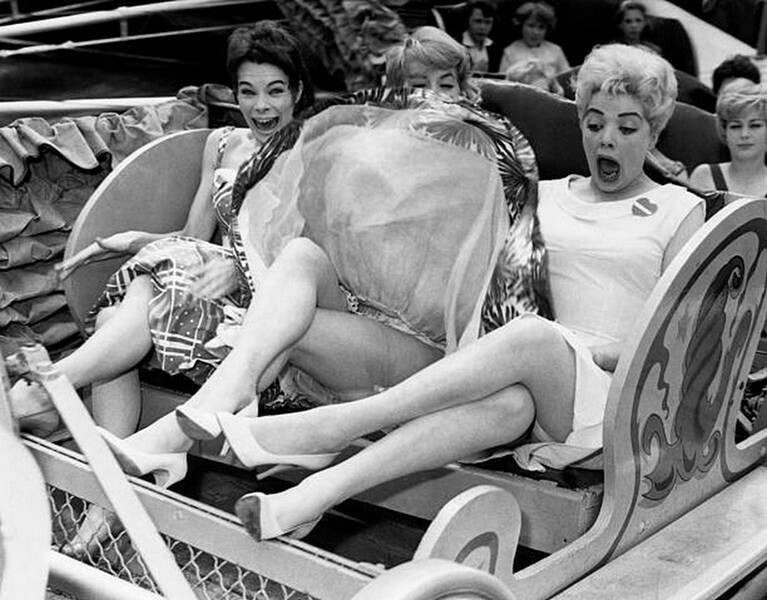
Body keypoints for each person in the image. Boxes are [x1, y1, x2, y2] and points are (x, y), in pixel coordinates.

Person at [176, 43, 705, 542]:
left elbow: (679, 337)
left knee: (534, 338)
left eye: (626, 127)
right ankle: (311, 495)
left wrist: (580, 351)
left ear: (654, 131)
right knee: (510, 402)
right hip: (531, 391)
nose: (607, 139)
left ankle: (333, 428)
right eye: (594, 124)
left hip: (620, 397)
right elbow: (481, 284)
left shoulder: (680, 210)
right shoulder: (540, 194)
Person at [91, 26, 545, 501]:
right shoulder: (372, 152)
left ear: (465, 91)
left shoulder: (486, 167)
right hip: (355, 329)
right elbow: (306, 238)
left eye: (444, 84)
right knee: (299, 259)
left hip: (430, 354)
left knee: (276, 325)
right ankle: (219, 403)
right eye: (416, 85)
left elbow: (485, 299)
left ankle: (184, 426)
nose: (431, 96)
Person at [10, 21, 314, 555]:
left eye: (275, 90)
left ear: (298, 92)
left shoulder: (315, 152)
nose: (261, 106)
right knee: (136, 298)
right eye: (248, 91)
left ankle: (50, 391)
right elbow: (193, 236)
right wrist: (130, 239)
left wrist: (239, 268)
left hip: (271, 308)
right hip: (197, 283)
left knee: (132, 305)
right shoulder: (222, 143)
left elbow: (315, 254)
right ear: (234, 93)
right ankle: (110, 493)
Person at [689, 83, 767, 198]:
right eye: (736, 126)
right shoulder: (704, 176)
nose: (744, 134)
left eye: (755, 125)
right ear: (724, 131)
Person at [498, 2, 569, 80]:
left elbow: (568, 78)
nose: (536, 32)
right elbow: (502, 82)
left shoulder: (556, 51)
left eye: (541, 27)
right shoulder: (510, 52)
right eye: (531, 25)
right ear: (521, 25)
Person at [460, 0, 499, 73]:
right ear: (468, 20)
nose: (482, 27)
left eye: (488, 22)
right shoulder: (456, 44)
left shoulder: (496, 48)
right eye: (478, 21)